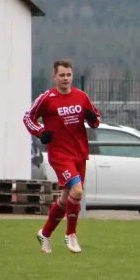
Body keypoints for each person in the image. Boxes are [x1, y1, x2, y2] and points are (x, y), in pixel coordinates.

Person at [23, 59, 101, 254]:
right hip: (59, 154)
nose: (65, 78)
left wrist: (93, 119)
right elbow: (28, 118)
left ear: (72, 76)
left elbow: (96, 121)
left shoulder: (81, 96)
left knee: (67, 197)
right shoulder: (47, 99)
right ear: (54, 77)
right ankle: (71, 234)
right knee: (77, 191)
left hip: (79, 153)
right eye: (62, 75)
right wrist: (41, 132)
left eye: (68, 75)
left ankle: (45, 234)